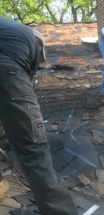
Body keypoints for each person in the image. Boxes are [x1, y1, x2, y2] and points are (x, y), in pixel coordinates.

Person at [0, 16, 78, 215]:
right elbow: (21, 87)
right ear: (39, 43)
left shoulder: (9, 32)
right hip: (7, 73)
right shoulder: (27, 40)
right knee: (34, 151)